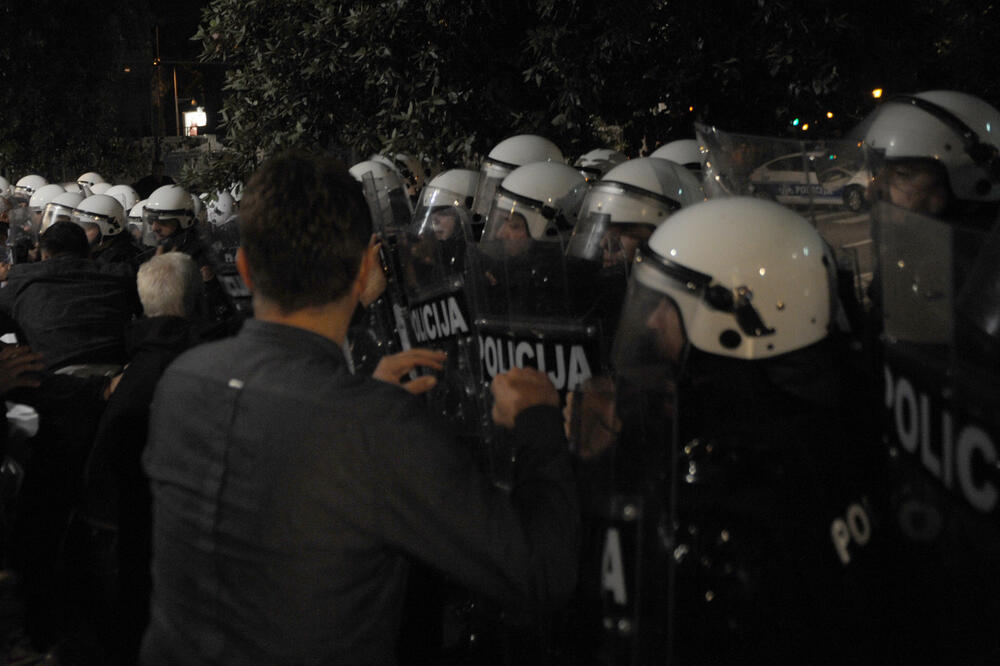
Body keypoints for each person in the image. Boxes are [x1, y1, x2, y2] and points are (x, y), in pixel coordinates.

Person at [141, 151, 579, 664]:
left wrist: (364, 401)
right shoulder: (375, 425)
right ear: (366, 267)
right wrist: (538, 421)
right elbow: (538, 573)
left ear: (244, 268)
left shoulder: (180, 381)